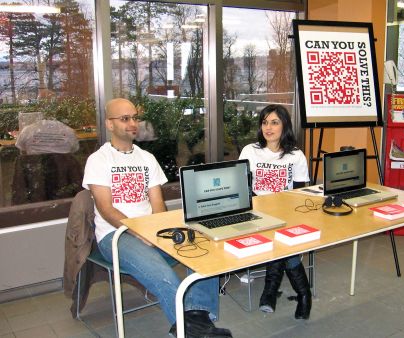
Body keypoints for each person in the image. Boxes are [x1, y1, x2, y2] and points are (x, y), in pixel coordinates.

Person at [82, 98, 232, 338]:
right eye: (125, 118)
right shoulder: (99, 160)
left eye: (134, 117)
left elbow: (157, 205)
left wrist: (157, 232)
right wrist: (138, 232)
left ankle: (196, 320)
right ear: (110, 125)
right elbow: (106, 209)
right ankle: (195, 331)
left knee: (206, 253)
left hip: (149, 231)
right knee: (164, 274)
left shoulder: (146, 159)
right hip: (116, 235)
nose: (133, 123)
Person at [239, 104, 312, 320]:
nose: (268, 128)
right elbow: (242, 188)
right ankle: (303, 294)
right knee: (281, 242)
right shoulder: (250, 151)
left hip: (287, 212)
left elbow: (300, 192)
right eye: (264, 122)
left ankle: (270, 293)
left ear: (284, 126)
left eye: (274, 122)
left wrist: (288, 215)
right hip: (257, 212)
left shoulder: (296, 155)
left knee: (281, 239)